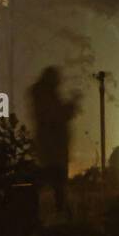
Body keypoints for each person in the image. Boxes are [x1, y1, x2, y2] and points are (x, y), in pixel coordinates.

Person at [30, 66, 78, 215]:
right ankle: (60, 211)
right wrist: (72, 105)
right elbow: (57, 116)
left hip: (52, 146)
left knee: (53, 178)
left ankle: (59, 210)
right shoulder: (45, 95)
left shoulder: (44, 94)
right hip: (53, 146)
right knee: (55, 177)